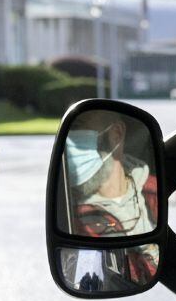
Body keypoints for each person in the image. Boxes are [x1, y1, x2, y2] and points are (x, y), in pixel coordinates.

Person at [63, 112, 158, 283]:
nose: (70, 147)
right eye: (67, 137)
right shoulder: (70, 212)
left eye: (78, 129)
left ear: (116, 134)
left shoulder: (154, 189)